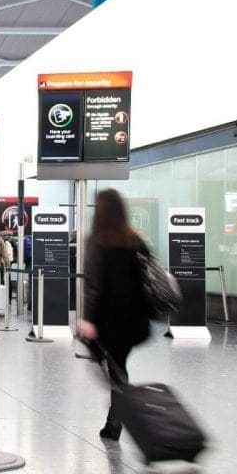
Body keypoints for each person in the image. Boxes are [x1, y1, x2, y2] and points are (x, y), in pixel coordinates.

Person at [77, 188, 151, 441]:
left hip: (107, 320)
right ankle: (115, 417)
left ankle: (121, 417)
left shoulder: (97, 240)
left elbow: (94, 285)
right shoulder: (135, 240)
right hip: (132, 320)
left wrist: (88, 319)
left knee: (113, 371)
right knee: (119, 368)